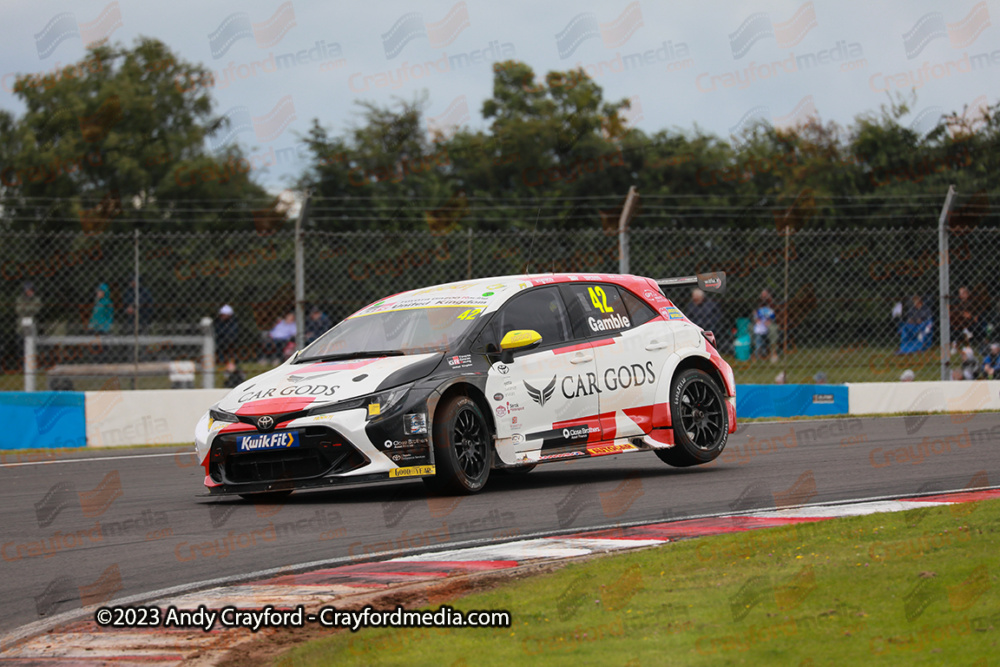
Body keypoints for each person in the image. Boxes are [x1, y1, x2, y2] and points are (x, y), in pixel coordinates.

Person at [753, 289, 779, 363]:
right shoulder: (757, 303)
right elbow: (754, 314)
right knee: (753, 329)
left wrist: (770, 321)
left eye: (765, 294)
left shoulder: (772, 304)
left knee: (773, 330)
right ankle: (756, 354)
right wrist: (756, 319)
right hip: (759, 323)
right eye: (762, 295)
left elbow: (776, 315)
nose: (764, 296)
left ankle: (774, 353)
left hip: (770, 323)